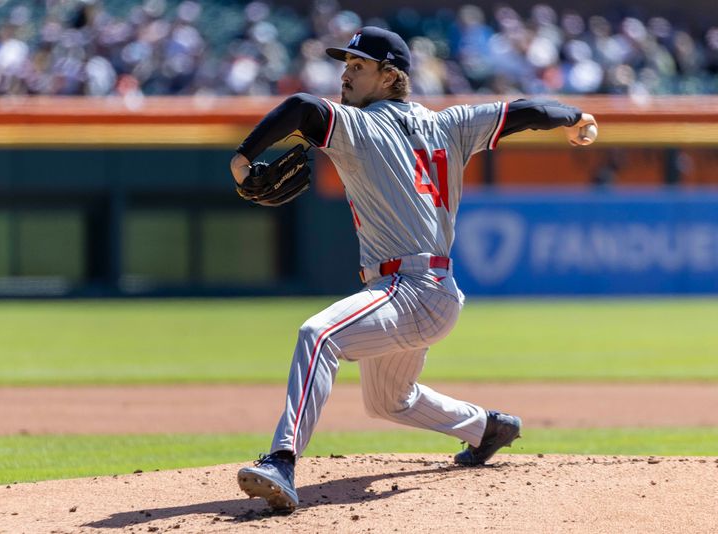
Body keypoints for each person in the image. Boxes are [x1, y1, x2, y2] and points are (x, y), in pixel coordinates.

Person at [229, 26, 597, 512]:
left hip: (408, 289)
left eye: (357, 67)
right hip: (432, 292)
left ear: (389, 76)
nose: (345, 75)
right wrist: (574, 117)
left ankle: (281, 459)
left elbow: (301, 107)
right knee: (386, 401)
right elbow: (526, 111)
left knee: (319, 335)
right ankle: (486, 428)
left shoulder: (360, 127)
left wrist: (241, 160)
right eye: (346, 66)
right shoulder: (452, 123)